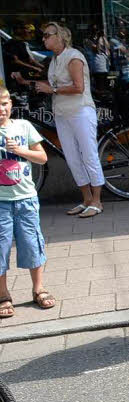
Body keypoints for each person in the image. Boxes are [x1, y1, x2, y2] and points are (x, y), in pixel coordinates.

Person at [23, 23, 105, 218]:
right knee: (72, 157)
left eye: (46, 35)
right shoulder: (55, 60)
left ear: (60, 37)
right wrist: (26, 82)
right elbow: (53, 85)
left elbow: (79, 87)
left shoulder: (74, 57)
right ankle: (86, 198)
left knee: (88, 155)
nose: (43, 39)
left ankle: (97, 200)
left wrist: (52, 90)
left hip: (80, 111)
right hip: (62, 113)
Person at [0, 85, 54, 319]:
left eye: (4, 103)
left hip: (26, 199)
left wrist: (21, 150)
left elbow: (42, 158)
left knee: (32, 243)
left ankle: (38, 288)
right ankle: (3, 294)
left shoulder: (24, 126)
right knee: (0, 249)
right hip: (1, 202)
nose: (1, 109)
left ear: (11, 104)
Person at [3, 22, 44, 87]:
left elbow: (31, 60)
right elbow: (16, 61)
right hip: (18, 72)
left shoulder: (22, 43)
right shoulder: (12, 43)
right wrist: (33, 67)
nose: (31, 35)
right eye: (29, 32)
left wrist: (42, 66)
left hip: (26, 69)